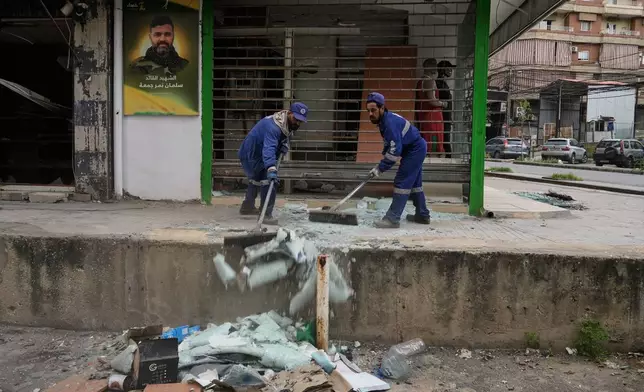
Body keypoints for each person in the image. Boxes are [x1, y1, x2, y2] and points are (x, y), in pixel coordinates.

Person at [366, 92, 431, 229]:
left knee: (402, 181)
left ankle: (392, 218)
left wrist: (380, 168)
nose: (370, 114)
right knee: (415, 184)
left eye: (373, 110)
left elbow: (395, 152)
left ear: (382, 108)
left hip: (414, 150)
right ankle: (422, 215)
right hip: (414, 148)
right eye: (368, 111)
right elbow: (391, 144)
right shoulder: (385, 121)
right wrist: (381, 165)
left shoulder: (389, 123)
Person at [237, 102, 309, 225]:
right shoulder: (274, 127)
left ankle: (247, 207)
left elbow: (285, 135)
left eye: (300, 121)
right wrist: (271, 167)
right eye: (296, 119)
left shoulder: (286, 122)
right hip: (252, 153)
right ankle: (266, 215)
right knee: (269, 180)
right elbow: (269, 148)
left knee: (255, 178)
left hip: (256, 151)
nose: (297, 123)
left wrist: (284, 144)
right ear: (289, 113)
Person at [415, 58, 448, 155]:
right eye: (433, 65)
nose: (436, 67)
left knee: (426, 135)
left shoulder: (420, 82)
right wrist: (443, 103)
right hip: (432, 116)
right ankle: (433, 155)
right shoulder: (430, 81)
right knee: (434, 136)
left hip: (424, 114)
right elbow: (432, 100)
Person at [436, 60, 455, 157]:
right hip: (442, 116)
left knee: (446, 138)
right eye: (448, 68)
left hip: (446, 116)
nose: (451, 71)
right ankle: (448, 157)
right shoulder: (438, 83)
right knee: (445, 138)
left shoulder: (443, 83)